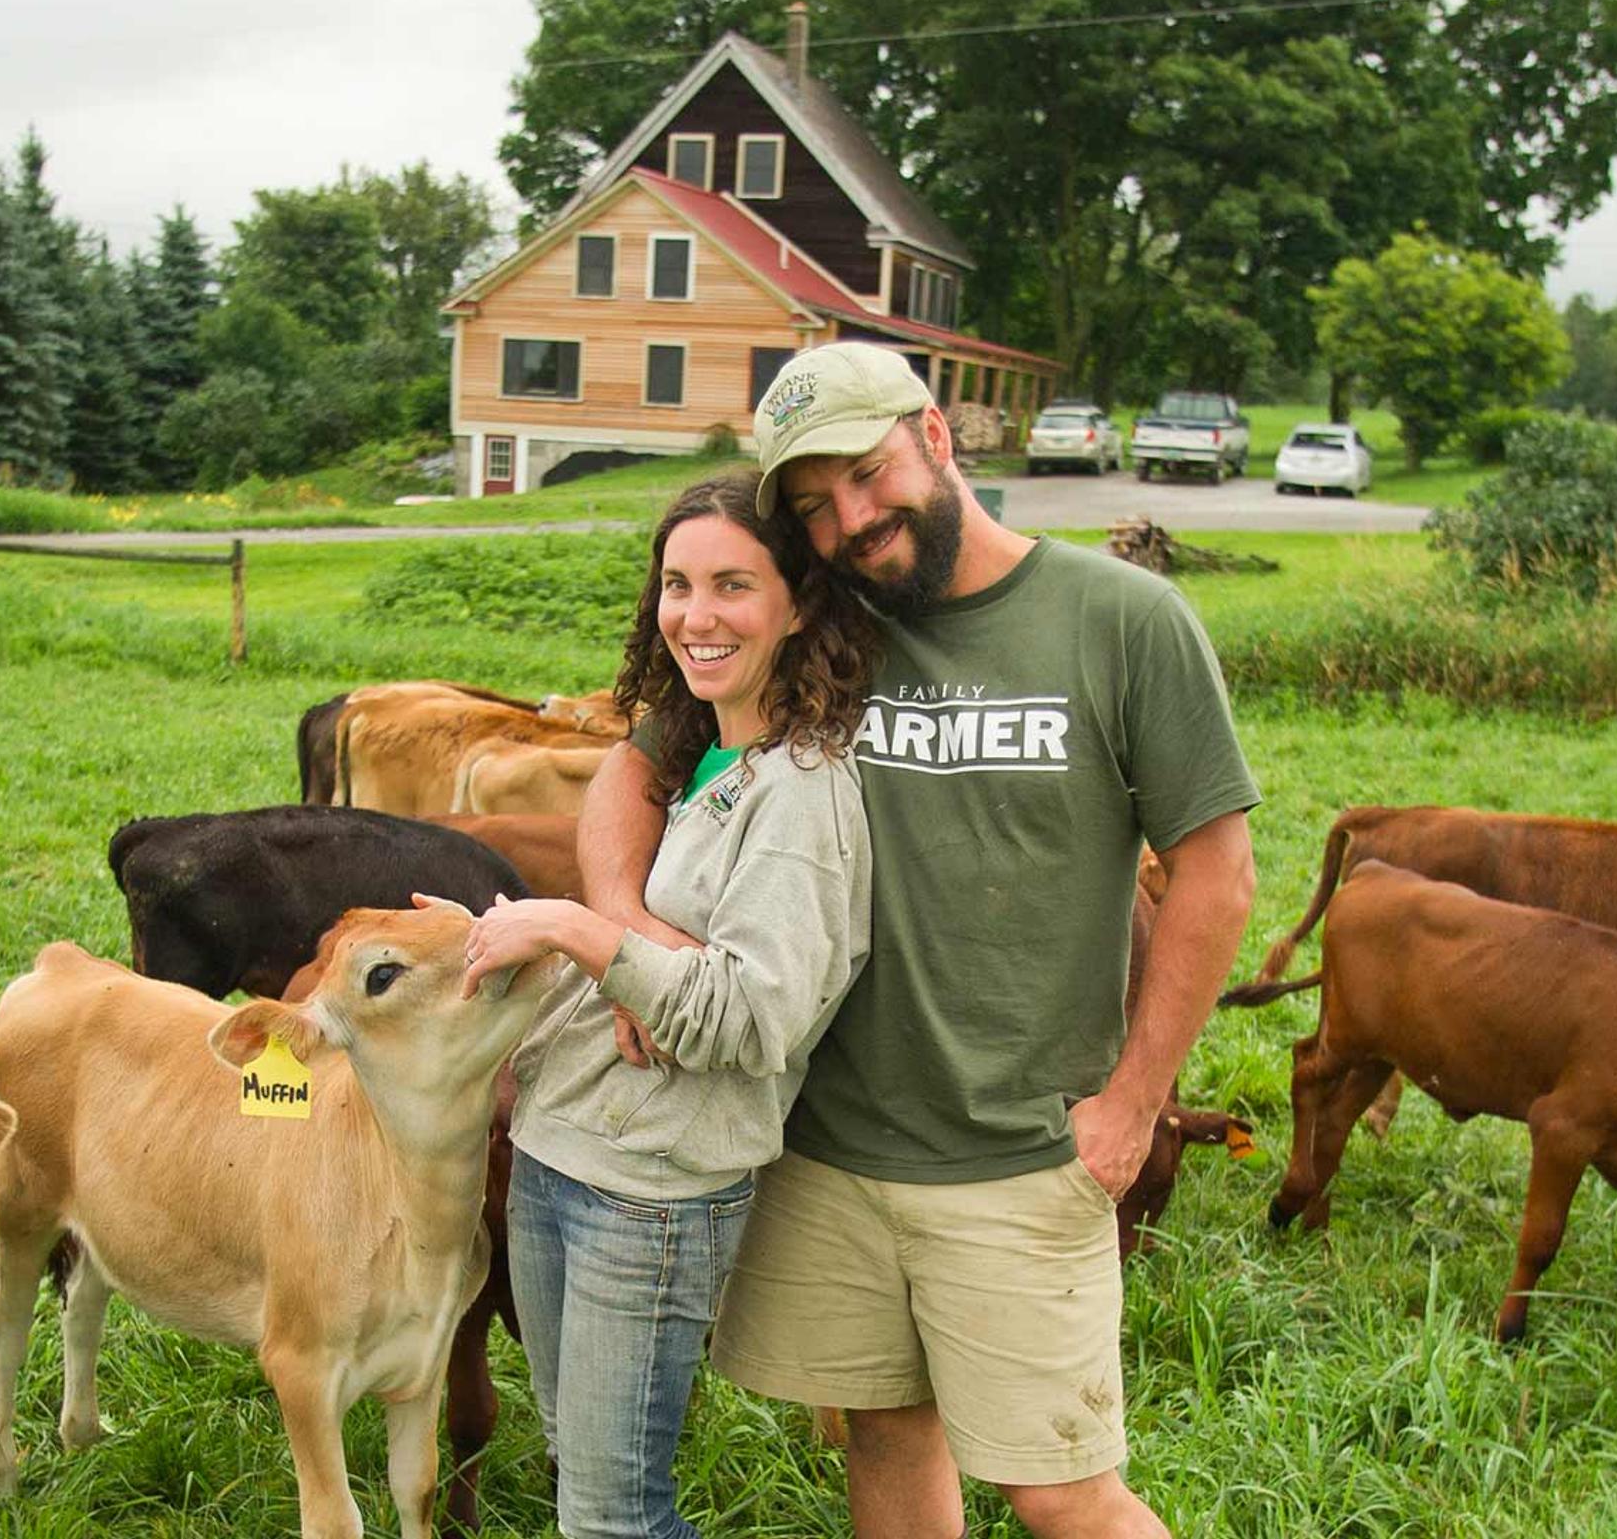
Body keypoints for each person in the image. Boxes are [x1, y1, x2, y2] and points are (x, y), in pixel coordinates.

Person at [577, 344, 1259, 1539]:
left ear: (937, 439)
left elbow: (1217, 874)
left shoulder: (1121, 619)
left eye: (869, 473)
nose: (851, 518)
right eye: (813, 503)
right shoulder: (820, 626)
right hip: (825, 1144)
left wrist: (1138, 1100)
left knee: (1061, 1488)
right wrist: (634, 938)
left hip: (1020, 1147)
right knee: (886, 1435)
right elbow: (628, 776)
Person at [457, 473, 881, 1539]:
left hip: (649, 1197)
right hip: (560, 1156)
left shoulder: (801, 790)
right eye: (678, 584)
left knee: (613, 1518)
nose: (695, 615)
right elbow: (642, 938)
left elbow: (751, 1019)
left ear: (800, 603)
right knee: (576, 1475)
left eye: (733, 584)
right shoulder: (700, 748)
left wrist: (573, 928)